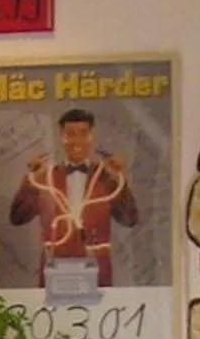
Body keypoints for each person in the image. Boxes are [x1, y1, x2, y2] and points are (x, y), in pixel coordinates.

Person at [7, 107, 139, 287]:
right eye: (70, 134)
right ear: (61, 138)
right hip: (55, 270)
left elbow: (129, 219)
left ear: (91, 137)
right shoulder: (45, 178)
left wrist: (118, 178)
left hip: (97, 272)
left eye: (83, 134)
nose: (77, 141)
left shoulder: (106, 178)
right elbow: (18, 217)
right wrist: (30, 179)